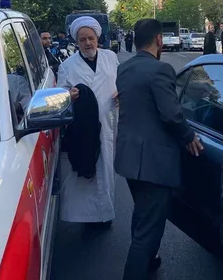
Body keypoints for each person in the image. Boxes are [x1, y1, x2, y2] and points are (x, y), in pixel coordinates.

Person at [116, 18, 203, 280]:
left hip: (129, 157)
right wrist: (189, 135)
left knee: (143, 216)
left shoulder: (124, 68)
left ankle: (150, 261)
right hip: (153, 163)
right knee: (147, 230)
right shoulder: (160, 69)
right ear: (159, 40)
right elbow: (171, 114)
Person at [56, 16, 119, 240]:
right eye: (82, 40)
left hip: (109, 123)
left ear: (97, 37)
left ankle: (106, 214)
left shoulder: (111, 58)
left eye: (91, 38)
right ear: (77, 42)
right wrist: (68, 96)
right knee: (86, 172)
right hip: (84, 128)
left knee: (106, 169)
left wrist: (121, 93)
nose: (87, 43)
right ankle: (88, 217)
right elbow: (60, 97)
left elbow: (120, 82)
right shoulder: (67, 66)